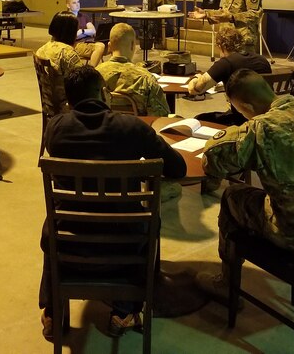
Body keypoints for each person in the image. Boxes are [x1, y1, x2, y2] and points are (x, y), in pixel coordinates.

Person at [39, 66, 187, 340]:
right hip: (126, 240)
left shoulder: (55, 129)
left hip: (70, 238)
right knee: (148, 220)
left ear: (69, 100)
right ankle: (124, 311)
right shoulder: (132, 128)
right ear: (103, 93)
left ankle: (54, 311)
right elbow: (177, 168)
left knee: (53, 224)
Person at [196, 68, 294, 300]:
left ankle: (227, 283)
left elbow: (214, 161)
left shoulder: (262, 128)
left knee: (233, 195)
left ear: (247, 107)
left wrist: (231, 133)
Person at [187, 24, 271, 126]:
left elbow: (195, 90)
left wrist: (197, 77)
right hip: (267, 116)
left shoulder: (225, 64)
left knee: (199, 119)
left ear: (220, 46)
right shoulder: (262, 60)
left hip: (241, 119)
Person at [96, 23, 169, 116]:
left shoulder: (94, 75)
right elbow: (161, 117)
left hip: (103, 129)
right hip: (137, 129)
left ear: (109, 46)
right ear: (133, 45)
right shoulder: (145, 79)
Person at [35, 13, 84, 106]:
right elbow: (83, 81)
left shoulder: (41, 50)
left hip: (48, 102)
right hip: (68, 104)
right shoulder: (67, 53)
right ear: (71, 32)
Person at [65, 0, 105, 66]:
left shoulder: (84, 16)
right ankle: (90, 71)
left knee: (111, 45)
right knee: (100, 46)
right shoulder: (67, 18)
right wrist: (86, 32)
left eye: (78, 2)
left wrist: (82, 31)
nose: (77, 4)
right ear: (68, 5)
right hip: (76, 45)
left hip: (89, 42)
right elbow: (73, 37)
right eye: (74, 3)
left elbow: (93, 31)